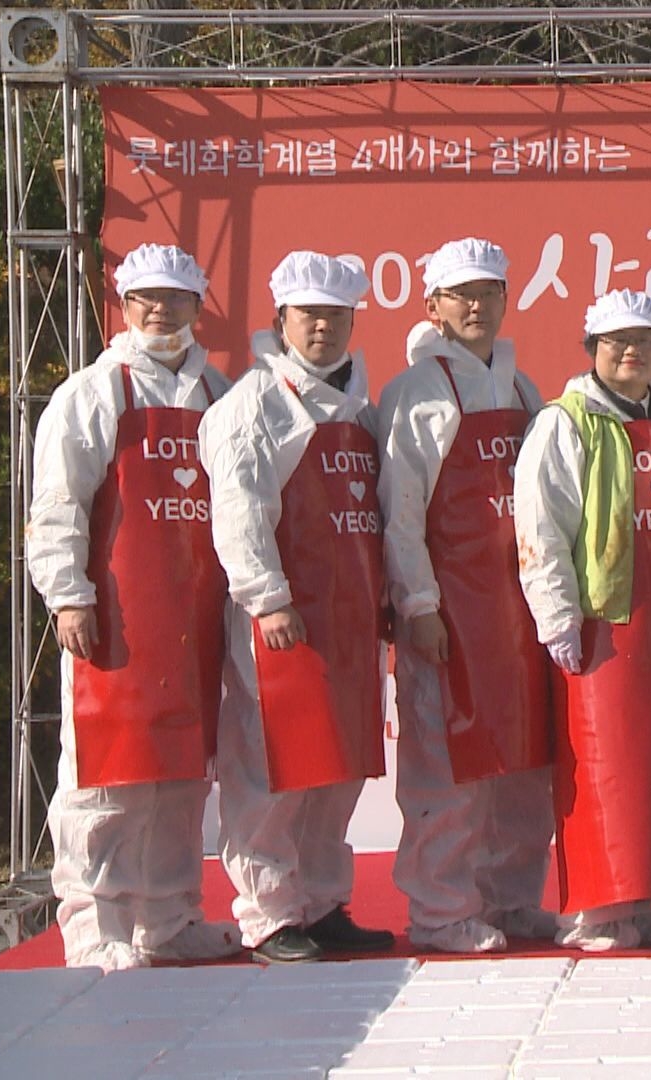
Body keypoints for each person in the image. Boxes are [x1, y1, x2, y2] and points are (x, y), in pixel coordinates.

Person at [27, 243, 241, 972]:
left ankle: (170, 917)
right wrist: (67, 594)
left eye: (175, 299)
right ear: (123, 303)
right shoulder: (92, 392)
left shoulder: (218, 394)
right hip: (117, 615)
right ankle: (95, 926)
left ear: (196, 306)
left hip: (195, 615)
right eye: (146, 298)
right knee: (107, 773)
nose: (160, 310)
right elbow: (58, 503)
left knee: (183, 771)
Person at [201, 250, 396, 963]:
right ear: (281, 320)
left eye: (336, 316)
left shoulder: (361, 410)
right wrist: (266, 598)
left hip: (347, 617)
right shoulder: (253, 406)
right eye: (309, 315)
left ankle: (318, 900)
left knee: (334, 767)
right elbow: (240, 513)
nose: (323, 327)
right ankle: (267, 914)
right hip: (282, 619)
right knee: (271, 767)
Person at [378, 237, 557, 953]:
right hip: (452, 613)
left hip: (519, 612)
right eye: (461, 295)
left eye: (488, 292)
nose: (477, 306)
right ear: (433, 307)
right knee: (446, 769)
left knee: (519, 766)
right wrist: (418, 604)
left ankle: (510, 901)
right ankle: (443, 910)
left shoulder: (521, 389)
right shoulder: (413, 394)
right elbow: (399, 512)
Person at [515, 289, 651, 952]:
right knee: (601, 763)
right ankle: (597, 906)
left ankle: (640, 897)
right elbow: (541, 523)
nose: (631, 352)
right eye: (616, 341)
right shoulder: (565, 423)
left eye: (644, 341)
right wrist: (557, 614)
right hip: (601, 619)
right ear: (592, 350)